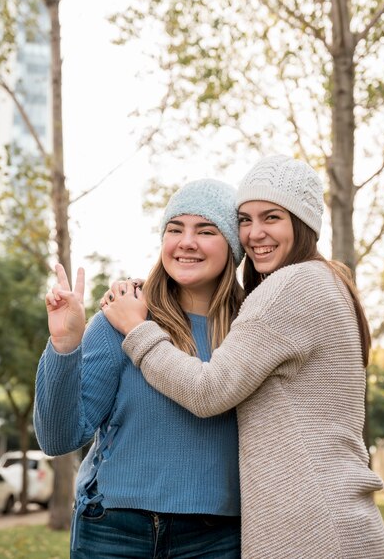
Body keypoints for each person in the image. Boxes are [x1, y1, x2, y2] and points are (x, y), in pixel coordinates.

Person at [103, 155, 384, 559]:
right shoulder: (328, 281)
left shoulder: (291, 286)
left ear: (302, 224)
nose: (255, 234)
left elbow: (208, 391)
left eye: (271, 218)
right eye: (244, 219)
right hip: (334, 516)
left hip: (309, 528)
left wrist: (137, 330)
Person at [34, 178, 245, 559]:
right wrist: (65, 346)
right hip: (114, 529)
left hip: (215, 537)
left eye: (206, 230)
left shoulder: (250, 328)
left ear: (232, 245)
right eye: (175, 229)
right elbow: (57, 439)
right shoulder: (120, 316)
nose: (187, 242)